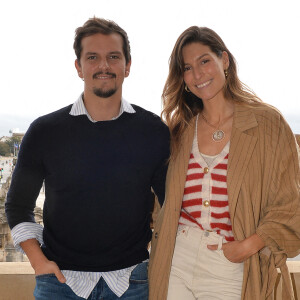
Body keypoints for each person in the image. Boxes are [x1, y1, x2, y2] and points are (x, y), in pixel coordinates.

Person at [5, 17, 170, 300]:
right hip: (60, 284)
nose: (103, 66)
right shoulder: (45, 131)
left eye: (113, 57)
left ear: (127, 66)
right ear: (79, 67)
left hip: (132, 283)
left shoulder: (154, 131)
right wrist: (38, 262)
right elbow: (18, 206)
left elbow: (173, 203)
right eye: (92, 57)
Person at [148, 26, 300, 300]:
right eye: (187, 68)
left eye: (205, 61)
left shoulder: (268, 124)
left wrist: (248, 246)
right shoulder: (180, 130)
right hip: (175, 259)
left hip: (230, 263)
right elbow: (160, 200)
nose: (197, 74)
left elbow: (291, 204)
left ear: (225, 60)